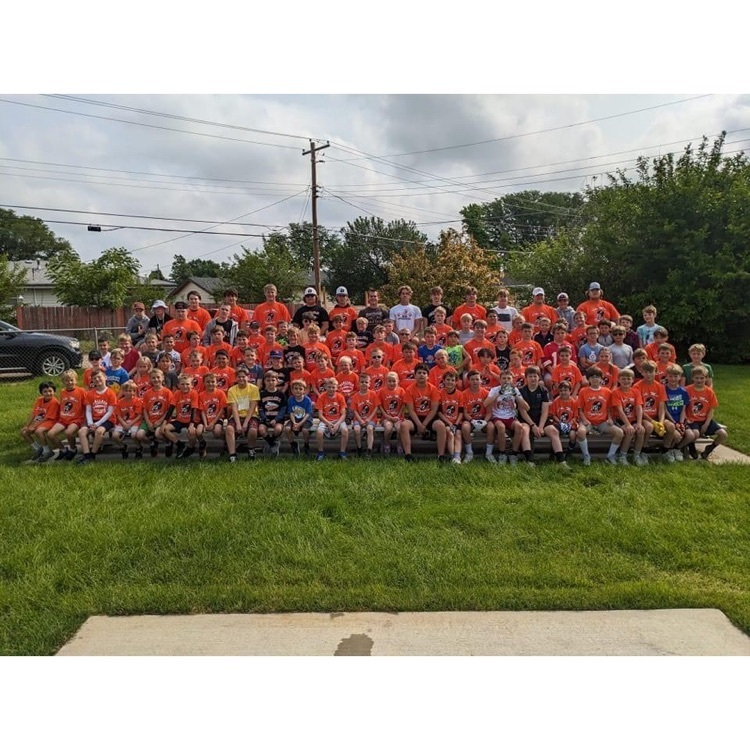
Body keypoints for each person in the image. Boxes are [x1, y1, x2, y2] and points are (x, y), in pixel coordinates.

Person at [519, 365, 567, 466]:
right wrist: (533, 426)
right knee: (524, 430)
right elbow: (522, 411)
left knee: (553, 431)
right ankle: (530, 461)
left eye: (535, 376)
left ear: (539, 377)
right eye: (530, 376)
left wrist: (540, 427)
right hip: (527, 419)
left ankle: (562, 461)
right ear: (526, 378)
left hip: (541, 419)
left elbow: (545, 411)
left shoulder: (543, 390)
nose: (533, 378)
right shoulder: (521, 391)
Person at [576, 366, 624, 466]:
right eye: (592, 377)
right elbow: (579, 409)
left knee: (619, 433)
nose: (595, 379)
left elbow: (609, 408)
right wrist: (584, 420)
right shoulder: (583, 391)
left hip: (602, 421)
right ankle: (586, 456)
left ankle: (610, 456)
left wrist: (610, 418)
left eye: (597, 377)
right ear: (588, 379)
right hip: (588, 420)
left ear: (601, 378)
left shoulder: (607, 392)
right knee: (580, 432)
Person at [483, 369, 531, 465]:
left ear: (512, 380)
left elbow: (526, 407)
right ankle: (502, 453)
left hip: (510, 416)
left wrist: (515, 395)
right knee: (501, 427)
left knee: (519, 427)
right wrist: (499, 393)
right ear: (500, 380)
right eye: (504, 378)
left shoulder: (515, 390)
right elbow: (485, 403)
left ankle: (514, 453)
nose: (506, 380)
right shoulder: (495, 390)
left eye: (509, 378)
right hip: (497, 416)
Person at [401, 363, 445, 462]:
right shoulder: (409, 389)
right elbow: (411, 410)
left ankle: (441, 455)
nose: (421, 375)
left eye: (424, 373)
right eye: (419, 373)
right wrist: (419, 424)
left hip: (429, 417)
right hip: (416, 417)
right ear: (415, 375)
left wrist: (424, 424)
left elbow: (434, 409)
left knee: (441, 425)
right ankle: (408, 455)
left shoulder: (433, 389)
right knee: (404, 425)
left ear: (427, 376)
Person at [634, 359, 675, 459]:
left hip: (656, 416)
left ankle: (665, 450)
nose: (648, 374)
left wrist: (660, 422)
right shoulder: (637, 386)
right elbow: (639, 408)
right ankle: (644, 450)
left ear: (656, 372)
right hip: (643, 417)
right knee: (649, 427)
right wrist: (652, 422)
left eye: (651, 372)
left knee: (671, 426)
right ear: (641, 372)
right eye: (646, 372)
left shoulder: (660, 387)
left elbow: (661, 407)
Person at [685, 365, 727, 460]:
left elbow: (711, 409)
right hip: (692, 420)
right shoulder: (687, 390)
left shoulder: (709, 392)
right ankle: (691, 447)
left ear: (706, 378)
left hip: (705, 420)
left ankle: (709, 449)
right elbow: (683, 407)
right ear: (692, 378)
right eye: (696, 378)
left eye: (702, 378)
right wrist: (686, 419)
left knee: (723, 434)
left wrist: (706, 424)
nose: (699, 380)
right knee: (695, 434)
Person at [77, 370, 118, 464]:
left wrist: (97, 424)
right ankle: (87, 455)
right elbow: (88, 410)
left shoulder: (110, 393)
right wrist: (91, 423)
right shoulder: (90, 393)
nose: (97, 379)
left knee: (99, 431)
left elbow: (110, 412)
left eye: (99, 377)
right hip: (93, 419)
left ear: (105, 377)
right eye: (94, 378)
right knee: (81, 431)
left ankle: (93, 454)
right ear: (92, 381)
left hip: (107, 419)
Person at [47, 370, 88, 461]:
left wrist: (85, 420)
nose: (69, 382)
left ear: (76, 380)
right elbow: (62, 406)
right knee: (51, 434)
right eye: (66, 381)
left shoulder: (81, 391)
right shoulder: (62, 392)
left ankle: (73, 449)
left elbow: (86, 406)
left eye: (71, 380)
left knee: (68, 432)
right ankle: (63, 450)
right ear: (63, 382)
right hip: (63, 418)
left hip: (76, 418)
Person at [611, 368, 648, 465]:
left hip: (633, 419)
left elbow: (639, 408)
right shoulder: (616, 393)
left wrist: (639, 423)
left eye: (628, 379)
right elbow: (619, 411)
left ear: (632, 380)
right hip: (620, 420)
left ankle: (636, 455)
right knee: (629, 431)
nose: (626, 381)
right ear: (618, 380)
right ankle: (622, 455)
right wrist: (628, 425)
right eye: (623, 379)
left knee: (641, 430)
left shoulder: (636, 392)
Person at [136, 368, 174, 459]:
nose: (156, 380)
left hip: (163, 420)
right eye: (153, 378)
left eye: (158, 377)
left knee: (158, 433)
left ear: (163, 378)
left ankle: (168, 443)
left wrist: (161, 421)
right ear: (150, 379)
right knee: (139, 435)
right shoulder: (147, 393)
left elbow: (170, 409)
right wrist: (148, 422)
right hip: (149, 420)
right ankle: (152, 443)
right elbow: (144, 409)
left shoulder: (167, 392)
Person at [663, 364, 698, 461]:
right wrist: (674, 422)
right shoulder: (664, 390)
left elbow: (683, 409)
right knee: (676, 435)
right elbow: (664, 409)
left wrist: (681, 423)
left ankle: (676, 449)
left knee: (691, 435)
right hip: (669, 419)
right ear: (667, 376)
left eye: (675, 376)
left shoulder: (683, 391)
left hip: (680, 419)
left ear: (679, 377)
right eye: (670, 376)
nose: (673, 379)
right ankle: (667, 451)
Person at [160, 374, 200, 459]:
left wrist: (192, 424)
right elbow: (171, 408)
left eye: (187, 384)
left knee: (192, 433)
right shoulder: (177, 393)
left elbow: (194, 408)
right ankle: (180, 445)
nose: (185, 386)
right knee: (165, 429)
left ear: (192, 385)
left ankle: (190, 448)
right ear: (178, 385)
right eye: (182, 384)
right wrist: (164, 422)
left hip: (191, 420)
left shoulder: (194, 393)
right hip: (180, 419)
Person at [225, 365, 260, 460]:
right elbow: (234, 408)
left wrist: (244, 423)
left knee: (252, 430)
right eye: (239, 377)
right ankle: (232, 454)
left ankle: (251, 449)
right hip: (237, 415)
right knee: (229, 429)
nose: (241, 379)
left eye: (243, 376)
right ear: (236, 378)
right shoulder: (232, 390)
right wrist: (238, 424)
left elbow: (253, 407)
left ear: (248, 377)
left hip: (251, 415)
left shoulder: (254, 388)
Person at [21, 381, 60, 463]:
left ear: (54, 391)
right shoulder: (39, 400)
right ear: (41, 393)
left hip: (50, 421)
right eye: (45, 391)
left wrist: (34, 426)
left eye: (50, 391)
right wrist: (27, 425)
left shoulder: (54, 402)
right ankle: (38, 449)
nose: (48, 393)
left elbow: (46, 417)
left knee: (39, 431)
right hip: (39, 421)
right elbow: (33, 413)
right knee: (24, 432)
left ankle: (47, 451)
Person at [459, 369, 490, 464]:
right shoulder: (464, 394)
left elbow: (489, 412)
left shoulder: (486, 393)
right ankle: (469, 452)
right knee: (465, 427)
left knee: (491, 427)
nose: (475, 382)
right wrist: (472, 420)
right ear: (468, 381)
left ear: (481, 380)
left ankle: (489, 453)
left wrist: (485, 421)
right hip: (470, 419)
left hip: (482, 418)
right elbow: (464, 412)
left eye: (477, 379)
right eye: (472, 379)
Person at [315, 377, 349, 461]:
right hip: (325, 419)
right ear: (325, 387)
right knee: (319, 432)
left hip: (338, 419)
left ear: (337, 388)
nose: (331, 389)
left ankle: (342, 452)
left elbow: (343, 414)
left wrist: (337, 424)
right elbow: (320, 415)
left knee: (345, 430)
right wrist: (328, 424)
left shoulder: (340, 397)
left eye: (333, 387)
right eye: (329, 387)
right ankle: (320, 452)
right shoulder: (321, 397)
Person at [196, 372, 228, 459]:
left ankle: (226, 442)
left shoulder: (220, 393)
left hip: (217, 418)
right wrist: (206, 425)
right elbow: (202, 411)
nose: (210, 384)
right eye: (208, 382)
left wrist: (212, 423)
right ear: (204, 383)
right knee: (198, 432)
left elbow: (222, 410)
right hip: (205, 419)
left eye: (212, 381)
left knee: (217, 432)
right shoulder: (201, 395)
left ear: (216, 382)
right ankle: (203, 444)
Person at [350, 371, 379, 458]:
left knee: (370, 428)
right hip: (358, 418)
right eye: (362, 382)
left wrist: (369, 418)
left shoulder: (373, 394)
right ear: (358, 383)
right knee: (356, 429)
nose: (364, 384)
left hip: (371, 418)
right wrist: (360, 420)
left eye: (366, 382)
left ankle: (369, 449)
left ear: (370, 383)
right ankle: (359, 447)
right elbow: (354, 410)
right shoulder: (355, 396)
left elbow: (376, 407)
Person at [111, 380, 143, 459]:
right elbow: (118, 415)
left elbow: (139, 416)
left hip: (134, 422)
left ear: (134, 391)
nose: (128, 393)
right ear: (123, 392)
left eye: (130, 391)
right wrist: (124, 424)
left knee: (133, 435)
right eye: (126, 391)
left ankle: (138, 447)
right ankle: (123, 447)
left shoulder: (137, 401)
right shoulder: (120, 402)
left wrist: (130, 424)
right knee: (114, 436)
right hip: (123, 422)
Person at [257, 370, 287, 457]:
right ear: (264, 381)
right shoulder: (262, 394)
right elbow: (260, 408)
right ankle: (273, 443)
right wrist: (264, 418)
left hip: (277, 418)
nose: (270, 382)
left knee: (277, 429)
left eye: (273, 380)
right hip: (266, 418)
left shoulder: (281, 394)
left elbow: (283, 409)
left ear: (277, 381)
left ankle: (271, 442)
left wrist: (276, 419)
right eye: (268, 380)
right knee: (261, 430)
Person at [437, 370, 464, 464]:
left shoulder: (460, 394)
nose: (450, 382)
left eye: (452, 380)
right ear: (443, 381)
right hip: (445, 421)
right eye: (448, 379)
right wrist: (450, 423)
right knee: (451, 434)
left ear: (456, 382)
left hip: (456, 421)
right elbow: (439, 412)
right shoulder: (439, 393)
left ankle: (457, 456)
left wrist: (456, 424)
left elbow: (461, 412)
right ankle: (453, 457)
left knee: (458, 435)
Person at [284, 379, 314, 456]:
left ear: (304, 390)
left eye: (300, 389)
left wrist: (299, 424)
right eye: (295, 389)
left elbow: (307, 414)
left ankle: (306, 444)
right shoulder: (291, 400)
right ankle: (293, 444)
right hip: (295, 419)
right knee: (287, 429)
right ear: (292, 390)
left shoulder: (307, 400)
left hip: (305, 420)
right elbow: (291, 412)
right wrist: (294, 423)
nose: (298, 391)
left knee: (305, 430)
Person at [379, 371, 406, 455]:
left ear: (398, 381)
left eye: (394, 381)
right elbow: (379, 405)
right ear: (386, 381)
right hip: (386, 416)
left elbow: (403, 405)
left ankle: (399, 444)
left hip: (398, 416)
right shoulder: (382, 391)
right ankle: (386, 443)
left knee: (399, 428)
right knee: (388, 428)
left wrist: (399, 415)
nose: (392, 383)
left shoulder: (401, 391)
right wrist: (386, 416)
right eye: (389, 381)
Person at [548, 381, 578, 458]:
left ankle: (569, 451)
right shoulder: (556, 401)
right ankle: (554, 452)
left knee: (573, 435)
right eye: (561, 391)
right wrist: (560, 422)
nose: (563, 392)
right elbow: (553, 415)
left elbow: (575, 416)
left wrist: (570, 423)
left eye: (565, 390)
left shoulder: (574, 402)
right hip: (558, 423)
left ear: (570, 391)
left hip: (570, 424)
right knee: (555, 433)